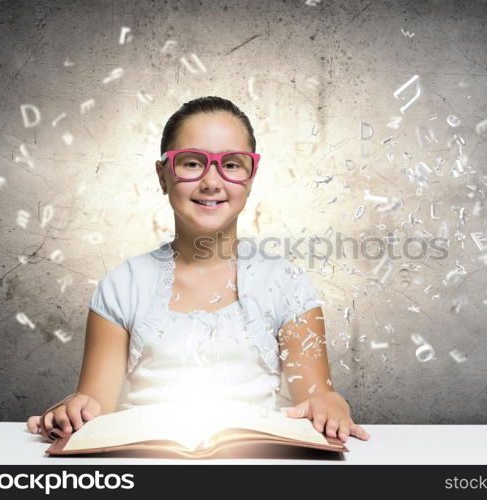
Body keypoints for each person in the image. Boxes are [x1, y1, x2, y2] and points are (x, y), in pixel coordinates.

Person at [26, 96, 370, 444]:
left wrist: (329, 403)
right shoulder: (123, 285)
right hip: (148, 464)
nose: (211, 181)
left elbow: (315, 395)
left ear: (251, 177)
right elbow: (94, 404)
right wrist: (74, 411)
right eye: (192, 163)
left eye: (232, 165)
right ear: (163, 175)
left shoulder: (286, 285)